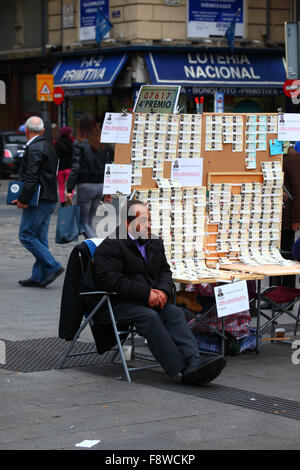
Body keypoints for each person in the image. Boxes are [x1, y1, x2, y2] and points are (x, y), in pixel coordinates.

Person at [92, 200, 227, 386]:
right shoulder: (110, 247)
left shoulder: (154, 241)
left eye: (149, 219)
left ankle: (194, 360)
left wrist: (163, 291)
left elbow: (165, 271)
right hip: (118, 303)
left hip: (149, 299)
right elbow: (113, 282)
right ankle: (182, 369)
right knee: (149, 317)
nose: (149, 224)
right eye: (144, 220)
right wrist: (146, 293)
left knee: (175, 312)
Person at [13, 116, 64, 287]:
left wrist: (22, 198)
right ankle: (38, 276)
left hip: (39, 199)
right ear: (42, 131)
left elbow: (31, 176)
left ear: (26, 131)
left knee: (26, 235)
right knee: (40, 238)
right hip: (48, 197)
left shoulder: (34, 148)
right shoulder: (47, 146)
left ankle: (52, 266)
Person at [66, 113, 113, 239]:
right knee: (89, 221)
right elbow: (108, 166)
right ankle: (94, 251)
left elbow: (76, 167)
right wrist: (109, 189)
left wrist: (69, 189)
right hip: (101, 185)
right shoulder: (103, 144)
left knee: (83, 222)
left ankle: (97, 250)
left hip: (86, 185)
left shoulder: (79, 144)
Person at [55, 126, 74, 207]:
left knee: (61, 186)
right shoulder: (72, 142)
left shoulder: (57, 143)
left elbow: (56, 155)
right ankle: (69, 200)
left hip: (60, 168)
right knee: (70, 186)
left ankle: (62, 202)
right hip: (70, 167)